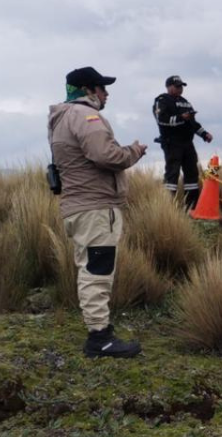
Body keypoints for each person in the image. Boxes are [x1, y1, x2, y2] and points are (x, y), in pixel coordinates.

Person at [49, 66, 147, 358]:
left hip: (79, 207)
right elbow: (105, 155)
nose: (106, 93)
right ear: (89, 90)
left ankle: (100, 332)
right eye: (102, 88)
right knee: (97, 271)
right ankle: (99, 338)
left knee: (90, 267)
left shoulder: (61, 117)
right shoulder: (84, 116)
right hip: (95, 208)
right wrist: (133, 151)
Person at [152, 75, 212, 211]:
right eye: (177, 86)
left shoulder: (185, 102)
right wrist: (181, 117)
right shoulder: (162, 100)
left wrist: (204, 134)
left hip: (188, 144)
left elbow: (193, 123)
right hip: (172, 143)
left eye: (181, 86)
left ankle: (192, 207)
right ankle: (168, 208)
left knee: (192, 174)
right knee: (172, 175)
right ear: (169, 87)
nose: (180, 89)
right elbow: (162, 119)